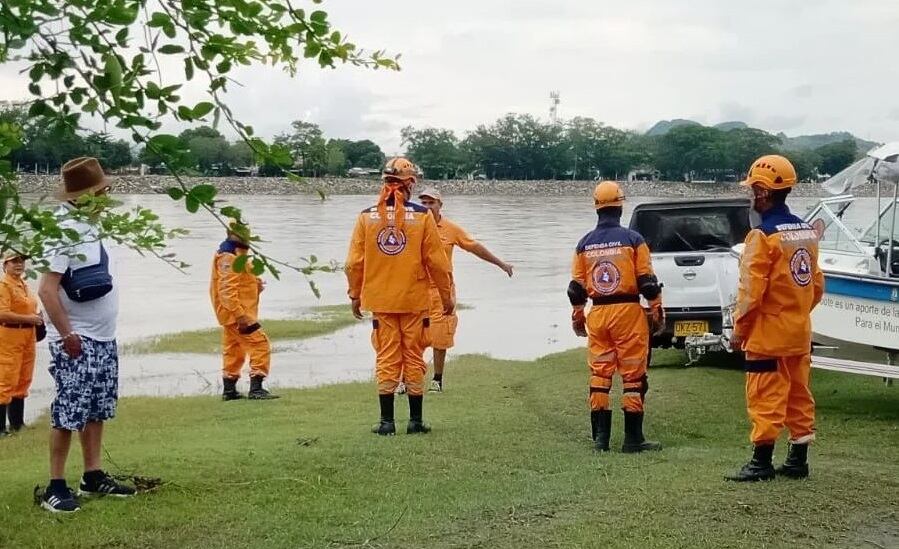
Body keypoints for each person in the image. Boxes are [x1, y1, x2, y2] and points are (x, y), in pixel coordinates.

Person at [38, 157, 135, 514]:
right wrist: (67, 335)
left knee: (96, 408)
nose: (106, 196)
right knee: (69, 411)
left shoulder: (90, 225)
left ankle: (92, 475)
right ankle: (55, 485)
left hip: (103, 336)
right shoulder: (61, 230)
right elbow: (47, 290)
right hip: (77, 338)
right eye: (101, 191)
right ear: (84, 195)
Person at [726, 155, 824, 482]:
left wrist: (739, 330)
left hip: (767, 335)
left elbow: (751, 292)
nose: (750, 195)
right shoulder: (806, 232)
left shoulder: (761, 236)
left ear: (764, 192)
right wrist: (796, 313)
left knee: (765, 395)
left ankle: (761, 461)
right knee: (798, 394)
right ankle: (798, 460)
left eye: (753, 189)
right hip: (798, 333)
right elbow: (817, 285)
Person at [345, 157, 453, 436]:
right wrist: (446, 296)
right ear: (410, 184)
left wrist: (355, 294)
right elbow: (438, 263)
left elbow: (354, 263)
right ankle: (415, 421)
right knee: (414, 356)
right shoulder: (422, 216)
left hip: (380, 301)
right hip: (414, 301)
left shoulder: (365, 217)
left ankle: (386, 422)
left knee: (386, 357)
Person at [567, 181, 664, 453]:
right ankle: (633, 439)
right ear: (620, 205)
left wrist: (578, 316)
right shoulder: (633, 239)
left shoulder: (584, 243)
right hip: (628, 313)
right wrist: (657, 309)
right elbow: (647, 282)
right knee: (633, 377)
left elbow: (576, 288)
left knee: (600, 375)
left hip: (597, 313)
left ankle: (600, 440)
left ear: (596, 207)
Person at [416, 187, 513, 393]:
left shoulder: (450, 229)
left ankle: (437, 379)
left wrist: (500, 264)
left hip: (441, 291)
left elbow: (474, 247)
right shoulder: (412, 227)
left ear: (440, 205)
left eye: (431, 203)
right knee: (413, 336)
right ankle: (408, 378)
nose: (426, 207)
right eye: (423, 203)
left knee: (440, 336)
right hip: (415, 290)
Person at [210, 219, 277, 401]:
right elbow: (226, 291)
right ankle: (256, 388)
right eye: (242, 232)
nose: (246, 235)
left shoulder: (238, 254)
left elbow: (240, 280)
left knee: (234, 349)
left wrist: (256, 284)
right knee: (259, 344)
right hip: (237, 314)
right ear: (232, 233)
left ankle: (229, 390)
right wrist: (240, 315)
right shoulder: (228, 256)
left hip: (237, 312)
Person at [0, 251, 43, 437]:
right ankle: (1, 429)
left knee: (23, 378)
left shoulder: (24, 285)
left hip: (27, 336)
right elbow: (2, 313)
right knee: (5, 379)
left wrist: (37, 319)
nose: (19, 264)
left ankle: (18, 423)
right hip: (9, 335)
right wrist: (30, 318)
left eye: (21, 261)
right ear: (5, 265)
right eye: (13, 261)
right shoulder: (4, 286)